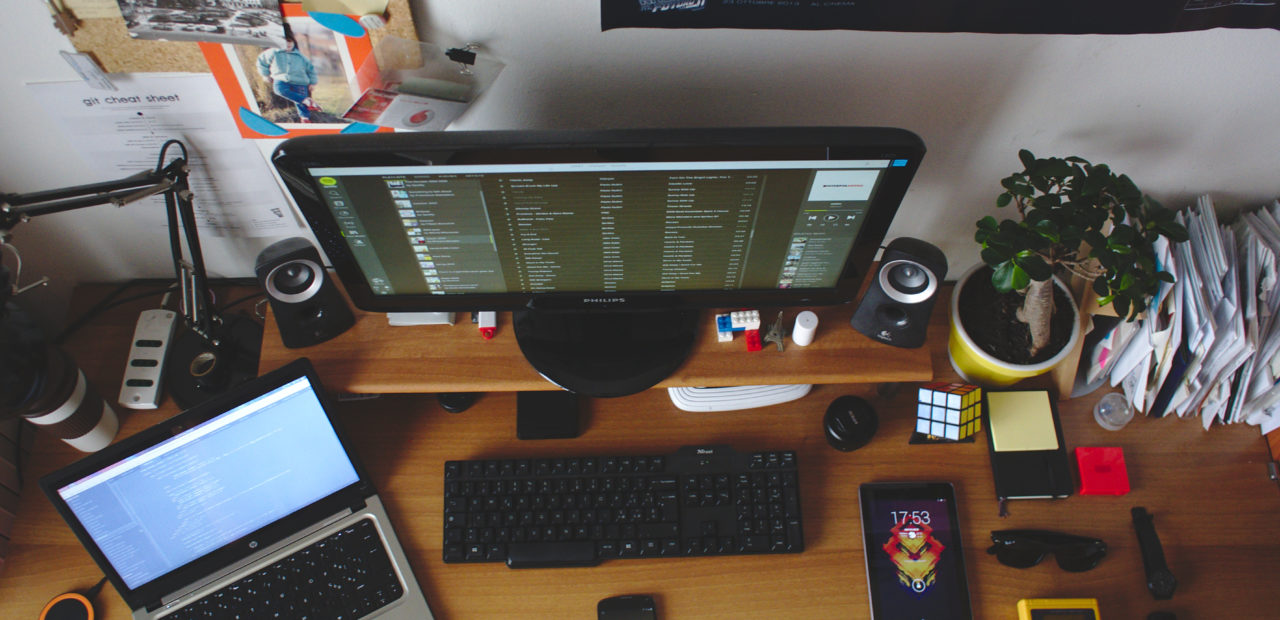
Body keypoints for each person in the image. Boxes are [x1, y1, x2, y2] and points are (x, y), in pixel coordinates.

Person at [256, 32, 319, 123]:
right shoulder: (274, 52)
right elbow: (261, 61)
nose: (288, 44)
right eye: (285, 42)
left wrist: (312, 82)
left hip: (300, 81)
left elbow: (310, 69)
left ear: (293, 43)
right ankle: (306, 100)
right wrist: (265, 75)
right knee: (279, 90)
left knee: (300, 101)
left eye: (290, 42)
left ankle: (305, 118)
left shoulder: (300, 56)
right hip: (281, 78)